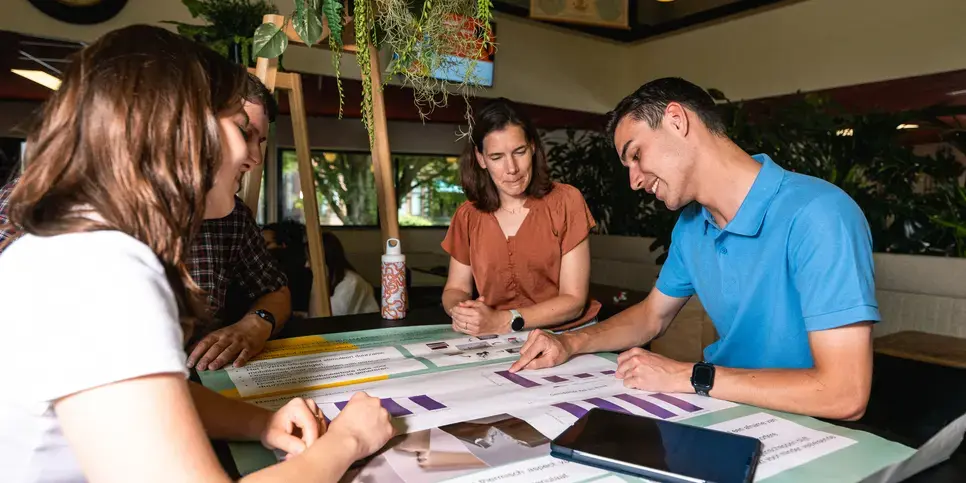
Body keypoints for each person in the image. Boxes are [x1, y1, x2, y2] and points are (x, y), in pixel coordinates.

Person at [0, 25, 393, 482]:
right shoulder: (103, 269)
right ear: (182, 130)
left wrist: (260, 423)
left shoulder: (78, 245)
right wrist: (350, 441)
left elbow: (156, 399)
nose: (251, 155)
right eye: (241, 129)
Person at [510, 77, 879, 421]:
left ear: (676, 120)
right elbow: (651, 317)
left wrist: (690, 376)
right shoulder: (691, 227)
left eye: (636, 155)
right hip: (722, 412)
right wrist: (569, 342)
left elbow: (845, 395)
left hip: (804, 430)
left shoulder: (819, 214)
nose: (634, 181)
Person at [0, 73, 291, 372]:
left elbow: (275, 289)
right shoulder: (52, 219)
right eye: (242, 132)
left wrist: (255, 326)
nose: (253, 156)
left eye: (260, 141)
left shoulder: (229, 217)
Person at [441, 97, 599, 336]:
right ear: (481, 159)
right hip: (499, 339)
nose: (512, 168)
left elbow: (574, 300)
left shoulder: (566, 201)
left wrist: (504, 320)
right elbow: (455, 288)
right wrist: (462, 311)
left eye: (519, 152)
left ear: (533, 147)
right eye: (497, 157)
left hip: (570, 336)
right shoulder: (467, 215)